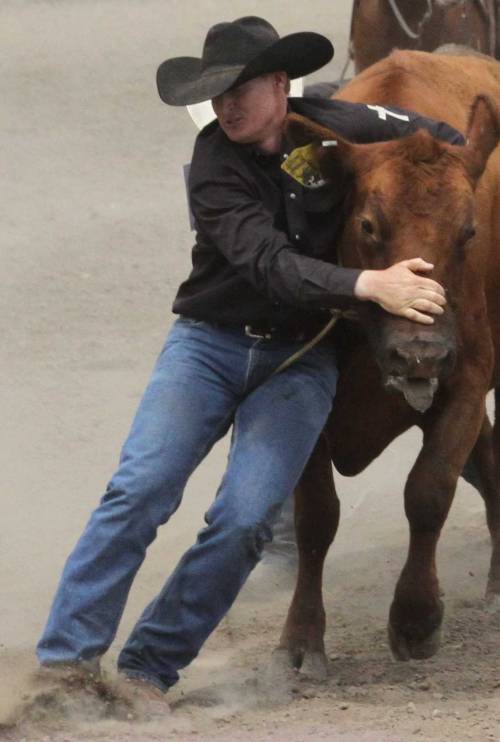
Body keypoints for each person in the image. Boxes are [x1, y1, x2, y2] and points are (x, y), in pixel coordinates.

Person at [36, 16, 462, 715]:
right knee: (140, 489)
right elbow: (269, 265)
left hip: (301, 363)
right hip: (209, 345)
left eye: (239, 88)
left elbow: (437, 140)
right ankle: (66, 662)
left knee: (246, 519)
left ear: (278, 85)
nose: (225, 104)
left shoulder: (340, 123)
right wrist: (370, 285)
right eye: (216, 93)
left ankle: (148, 669)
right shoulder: (214, 164)